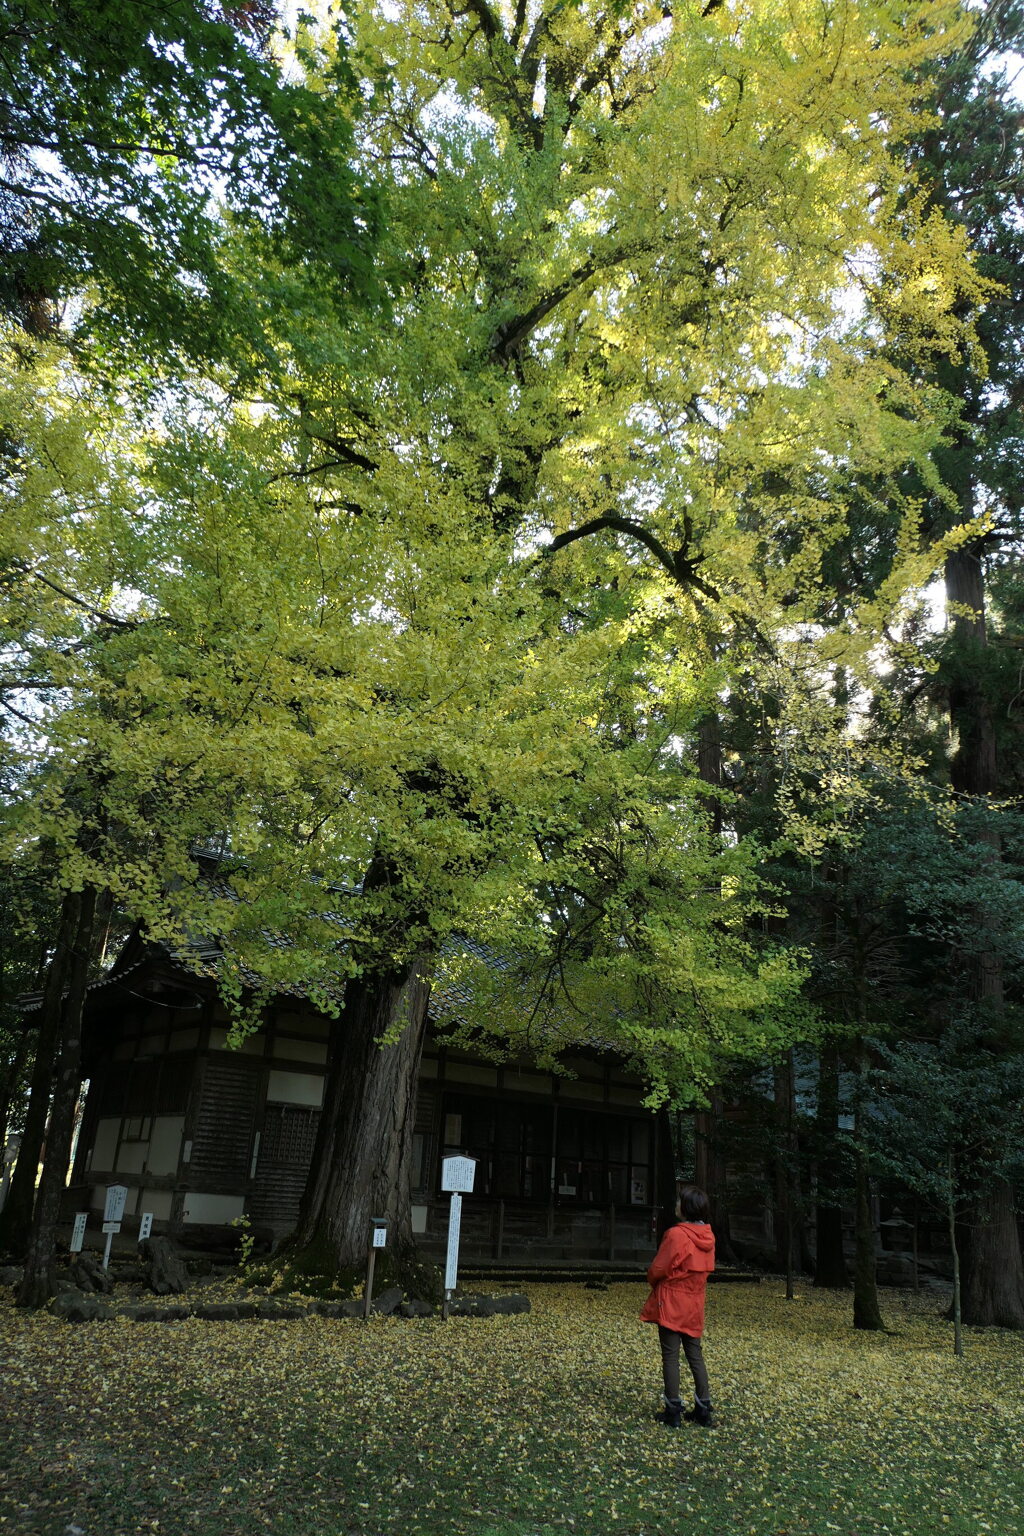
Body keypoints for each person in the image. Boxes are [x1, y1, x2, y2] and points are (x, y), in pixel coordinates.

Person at [640, 1182, 716, 1429]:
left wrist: (653, 1280)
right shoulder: (708, 1237)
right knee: (695, 1355)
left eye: (678, 1201)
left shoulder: (677, 1235)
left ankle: (673, 1410)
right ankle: (703, 1408)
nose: (675, 1205)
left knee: (670, 1356)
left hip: (672, 1300)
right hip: (694, 1302)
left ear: (686, 1208)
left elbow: (659, 1268)